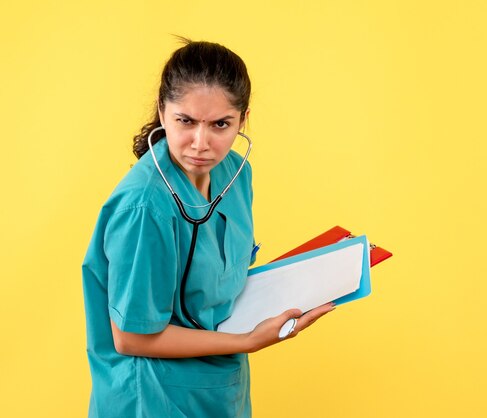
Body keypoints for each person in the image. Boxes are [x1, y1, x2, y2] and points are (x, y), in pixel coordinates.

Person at [82, 39, 334, 418]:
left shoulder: (236, 173)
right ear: (163, 113)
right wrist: (247, 340)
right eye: (186, 121)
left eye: (220, 124)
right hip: (150, 398)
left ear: (242, 119)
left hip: (219, 390)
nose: (201, 144)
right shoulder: (145, 206)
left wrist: (297, 287)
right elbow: (130, 336)